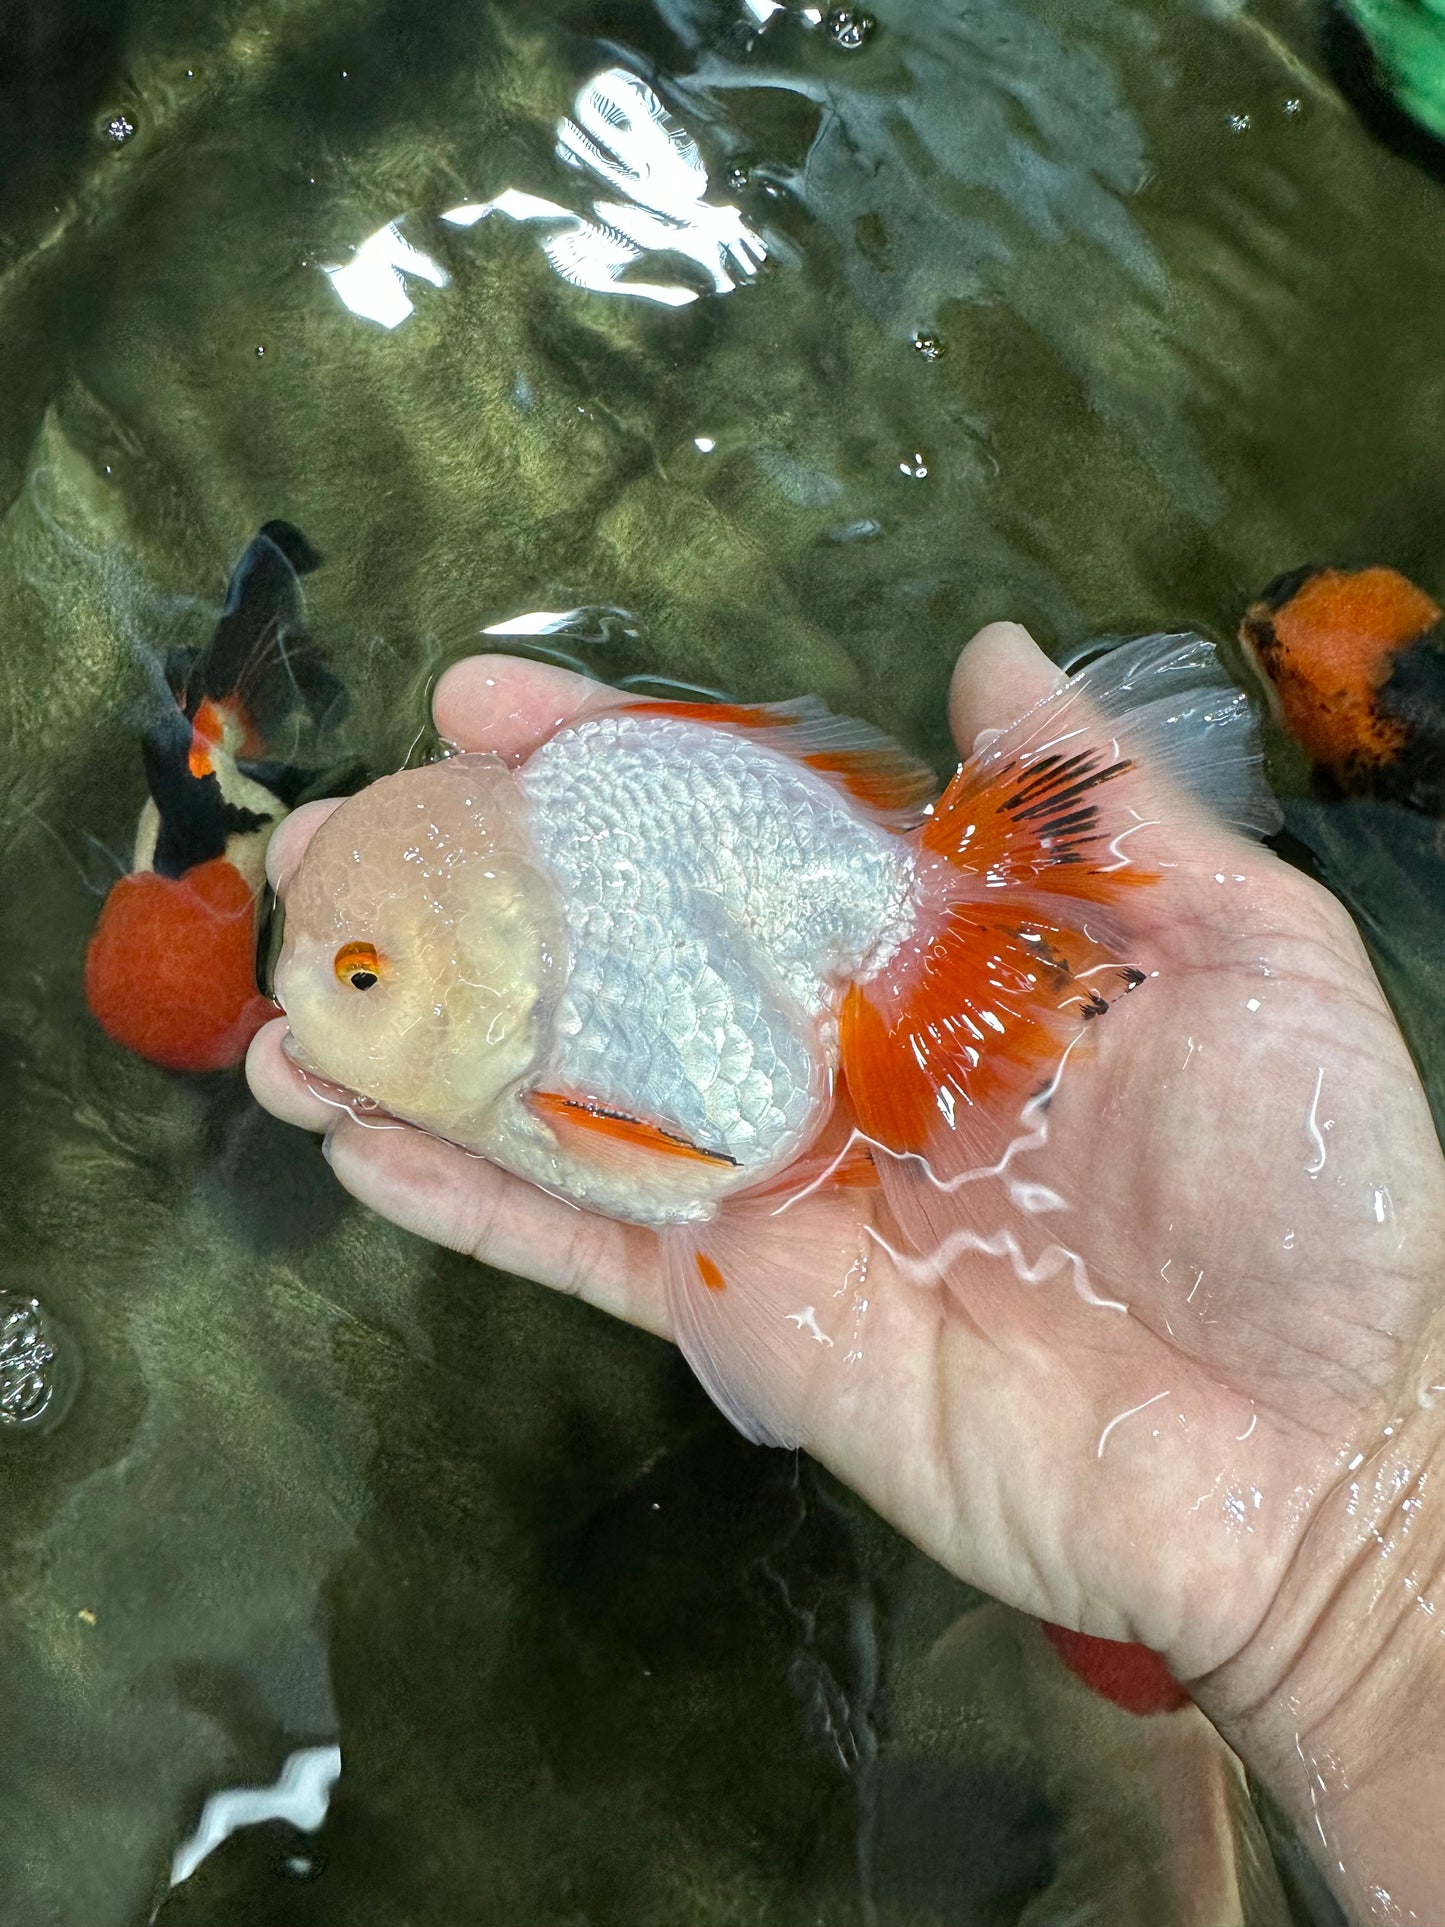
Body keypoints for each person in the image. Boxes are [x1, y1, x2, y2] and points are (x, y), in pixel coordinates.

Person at [249, 621, 1445, 1925]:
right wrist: (1353, 1572)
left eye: (359, 976)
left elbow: (689, 1166)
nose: (304, 999)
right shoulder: (539, 877)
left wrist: (1355, 1548)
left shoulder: (568, 980)